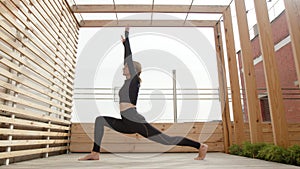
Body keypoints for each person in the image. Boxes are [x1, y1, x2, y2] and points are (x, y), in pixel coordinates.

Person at [79, 27, 208, 161]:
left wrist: (127, 38)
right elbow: (127, 60)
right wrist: (125, 45)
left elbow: (129, 58)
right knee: (100, 120)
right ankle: (95, 153)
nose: (123, 67)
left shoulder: (134, 81)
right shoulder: (127, 82)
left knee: (166, 140)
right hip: (125, 121)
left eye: (126, 66)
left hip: (134, 120)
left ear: (133, 70)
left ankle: (200, 146)